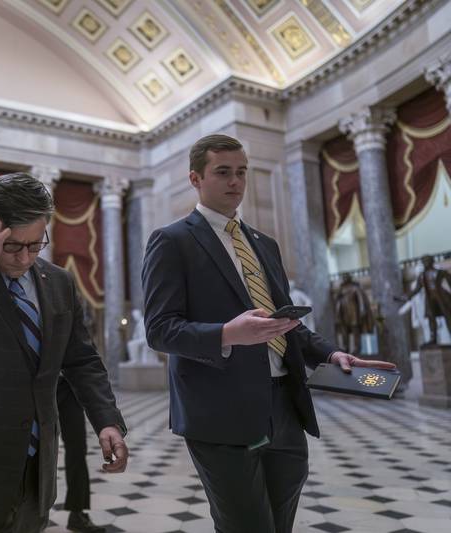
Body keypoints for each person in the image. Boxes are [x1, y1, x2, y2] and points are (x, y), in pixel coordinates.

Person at [141, 134, 396, 533]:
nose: (235, 182)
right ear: (195, 178)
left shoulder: (264, 243)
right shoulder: (172, 241)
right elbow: (159, 330)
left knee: (280, 523)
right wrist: (227, 333)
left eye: (241, 172)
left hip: (285, 407)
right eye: (223, 172)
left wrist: (332, 356)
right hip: (219, 413)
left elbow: (287, 325)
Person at [0, 172, 128, 533]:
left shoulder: (59, 281)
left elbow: (81, 359)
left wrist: (106, 420)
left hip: (37, 465)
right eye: (13, 246)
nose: (25, 258)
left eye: (36, 245)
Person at [57, 376, 106, 533]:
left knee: (77, 450)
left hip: (68, 384)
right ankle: (23, 512)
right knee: (33, 448)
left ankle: (77, 514)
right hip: (36, 382)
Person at [402, 255, 451, 346]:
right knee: (431, 319)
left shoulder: (441, 273)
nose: (424, 263)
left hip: (442, 299)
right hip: (430, 299)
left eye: (426, 261)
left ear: (431, 261)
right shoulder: (422, 276)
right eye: (423, 261)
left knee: (448, 317)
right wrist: (407, 297)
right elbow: (417, 289)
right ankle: (433, 338)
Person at [334, 273, 374, 353]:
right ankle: (346, 347)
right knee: (344, 331)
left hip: (354, 313)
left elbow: (361, 301)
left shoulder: (355, 288)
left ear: (349, 278)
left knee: (356, 331)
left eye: (346, 277)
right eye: (343, 277)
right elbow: (337, 300)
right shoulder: (342, 289)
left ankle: (357, 348)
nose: (344, 278)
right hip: (343, 314)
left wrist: (362, 310)